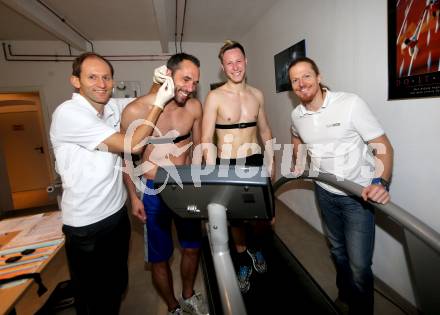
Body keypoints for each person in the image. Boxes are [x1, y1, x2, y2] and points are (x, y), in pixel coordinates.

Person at [50, 52, 174, 314]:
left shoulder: (110, 106)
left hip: (116, 216)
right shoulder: (68, 113)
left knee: (117, 286)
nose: (101, 83)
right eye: (92, 77)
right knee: (92, 299)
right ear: (76, 81)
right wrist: (160, 103)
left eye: (106, 77)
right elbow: (134, 144)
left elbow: (144, 103)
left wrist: (156, 81)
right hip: (86, 225)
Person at [288, 57, 394, 315]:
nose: (302, 84)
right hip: (325, 192)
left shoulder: (350, 104)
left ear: (319, 76)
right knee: (337, 251)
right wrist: (300, 160)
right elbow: (295, 134)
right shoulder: (297, 114)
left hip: (358, 197)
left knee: (359, 266)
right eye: (295, 80)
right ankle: (345, 296)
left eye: (306, 76)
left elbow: (383, 147)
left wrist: (380, 182)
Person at [121, 53, 208, 315]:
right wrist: (134, 197)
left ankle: (188, 295)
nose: (190, 88)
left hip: (184, 187)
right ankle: (172, 308)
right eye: (186, 79)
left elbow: (201, 147)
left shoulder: (193, 107)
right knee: (159, 257)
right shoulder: (135, 110)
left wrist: (201, 181)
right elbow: (126, 158)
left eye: (195, 82)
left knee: (192, 249)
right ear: (167, 75)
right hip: (152, 192)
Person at [201, 40, 274, 293]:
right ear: (222, 67)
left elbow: (265, 130)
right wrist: (213, 174)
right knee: (236, 221)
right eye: (229, 63)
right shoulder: (215, 97)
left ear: (246, 61)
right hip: (227, 163)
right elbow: (205, 138)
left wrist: (271, 162)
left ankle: (255, 250)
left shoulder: (257, 94)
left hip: (254, 160)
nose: (235, 67)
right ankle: (243, 261)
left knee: (262, 217)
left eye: (238, 61)